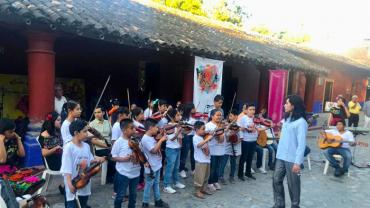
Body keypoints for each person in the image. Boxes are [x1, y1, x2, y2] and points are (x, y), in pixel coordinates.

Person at [60, 120, 105, 208]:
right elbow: (66, 168)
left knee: (83, 204)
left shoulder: (86, 146)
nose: (87, 134)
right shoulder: (68, 148)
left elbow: (90, 160)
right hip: (73, 184)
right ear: (76, 133)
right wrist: (69, 184)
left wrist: (99, 159)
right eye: (84, 131)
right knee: (72, 205)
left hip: (85, 183)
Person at [273, 95, 308, 208]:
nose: (284, 105)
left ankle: (295, 205)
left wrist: (297, 162)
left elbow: (301, 144)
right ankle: (279, 204)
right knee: (276, 180)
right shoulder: (287, 119)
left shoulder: (301, 122)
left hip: (293, 159)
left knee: (293, 185)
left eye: (287, 103)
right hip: (281, 156)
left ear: (293, 106)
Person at [111, 119, 141, 208]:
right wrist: (124, 159)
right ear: (124, 130)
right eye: (132, 128)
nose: (134, 130)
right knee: (120, 195)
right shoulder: (118, 142)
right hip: (123, 173)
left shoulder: (136, 140)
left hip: (135, 173)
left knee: (133, 196)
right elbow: (113, 157)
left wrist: (138, 156)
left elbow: (141, 154)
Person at [141, 118, 169, 208]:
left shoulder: (150, 137)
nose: (157, 129)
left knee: (156, 183)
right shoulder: (145, 139)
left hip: (156, 164)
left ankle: (158, 200)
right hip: (151, 166)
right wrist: (161, 140)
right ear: (150, 128)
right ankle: (145, 203)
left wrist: (159, 138)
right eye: (156, 127)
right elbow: (153, 150)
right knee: (149, 184)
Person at [38, 112, 64, 194]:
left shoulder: (57, 131)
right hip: (52, 162)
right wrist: (55, 149)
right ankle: (65, 187)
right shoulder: (45, 135)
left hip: (59, 158)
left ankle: (65, 186)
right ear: (52, 122)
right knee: (74, 163)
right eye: (58, 120)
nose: (61, 121)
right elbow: (44, 153)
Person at [238, 103, 264, 181]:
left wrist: (268, 126)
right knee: (243, 158)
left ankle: (248, 173)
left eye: (253, 109)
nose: (252, 111)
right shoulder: (243, 118)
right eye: (250, 109)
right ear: (246, 110)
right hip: (246, 140)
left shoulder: (255, 118)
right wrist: (241, 137)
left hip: (253, 140)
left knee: (250, 158)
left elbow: (258, 128)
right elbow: (240, 128)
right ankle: (240, 174)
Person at [89, 105, 114, 183]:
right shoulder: (91, 124)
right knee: (111, 155)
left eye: (99, 112)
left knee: (115, 153)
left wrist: (112, 146)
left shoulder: (108, 123)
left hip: (109, 147)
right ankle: (111, 177)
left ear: (103, 113)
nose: (96, 114)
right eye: (95, 112)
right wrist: (107, 146)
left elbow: (111, 135)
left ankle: (111, 176)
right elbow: (92, 140)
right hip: (99, 148)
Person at [163, 108, 186, 194]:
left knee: (176, 167)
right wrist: (178, 132)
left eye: (179, 115)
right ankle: (166, 185)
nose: (179, 116)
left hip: (177, 148)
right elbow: (171, 139)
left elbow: (182, 135)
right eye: (177, 115)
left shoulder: (178, 125)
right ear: (172, 117)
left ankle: (176, 182)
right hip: (171, 149)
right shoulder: (169, 126)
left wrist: (185, 130)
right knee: (170, 167)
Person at [192, 121, 213, 199]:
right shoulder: (195, 138)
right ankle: (197, 191)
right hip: (200, 161)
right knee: (199, 177)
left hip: (206, 159)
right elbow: (199, 145)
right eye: (202, 129)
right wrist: (207, 139)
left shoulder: (202, 137)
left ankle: (203, 189)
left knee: (206, 176)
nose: (204, 131)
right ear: (197, 129)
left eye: (204, 129)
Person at [206, 109, 225, 192]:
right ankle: (210, 183)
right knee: (212, 167)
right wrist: (213, 133)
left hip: (221, 149)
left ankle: (215, 181)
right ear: (212, 116)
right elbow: (206, 138)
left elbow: (222, 138)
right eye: (217, 115)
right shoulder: (208, 125)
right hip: (212, 149)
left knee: (218, 166)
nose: (219, 117)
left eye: (220, 115)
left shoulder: (222, 125)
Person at [222, 109, 242, 184]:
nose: (229, 117)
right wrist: (228, 126)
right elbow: (225, 136)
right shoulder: (227, 124)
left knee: (233, 163)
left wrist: (236, 142)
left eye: (231, 116)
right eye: (229, 116)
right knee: (223, 162)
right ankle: (221, 176)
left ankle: (232, 177)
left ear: (236, 116)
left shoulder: (238, 125)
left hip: (235, 147)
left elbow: (241, 138)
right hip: (227, 147)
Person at [179, 103, 196, 178]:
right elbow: (182, 130)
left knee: (193, 154)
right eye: (193, 108)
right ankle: (181, 169)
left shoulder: (194, 118)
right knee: (184, 154)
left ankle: (193, 169)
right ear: (189, 109)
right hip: (186, 137)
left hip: (193, 136)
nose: (195, 109)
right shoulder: (182, 119)